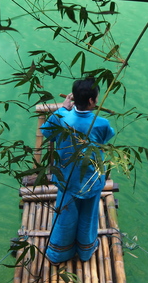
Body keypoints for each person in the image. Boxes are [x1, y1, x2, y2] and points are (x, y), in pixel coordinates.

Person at [40, 77, 115, 265]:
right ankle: (85, 252)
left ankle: (59, 253)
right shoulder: (101, 123)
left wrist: (63, 108)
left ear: (73, 98)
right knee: (88, 217)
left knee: (65, 215)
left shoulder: (62, 118)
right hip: (91, 179)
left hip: (67, 178)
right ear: (91, 101)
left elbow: (46, 131)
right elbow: (105, 138)